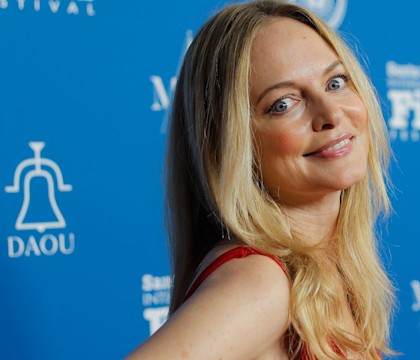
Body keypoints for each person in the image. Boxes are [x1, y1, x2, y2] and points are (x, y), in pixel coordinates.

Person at [127, 1, 395, 359]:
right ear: (232, 145)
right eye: (283, 104)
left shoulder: (323, 275)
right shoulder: (261, 282)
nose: (331, 114)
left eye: (335, 82)